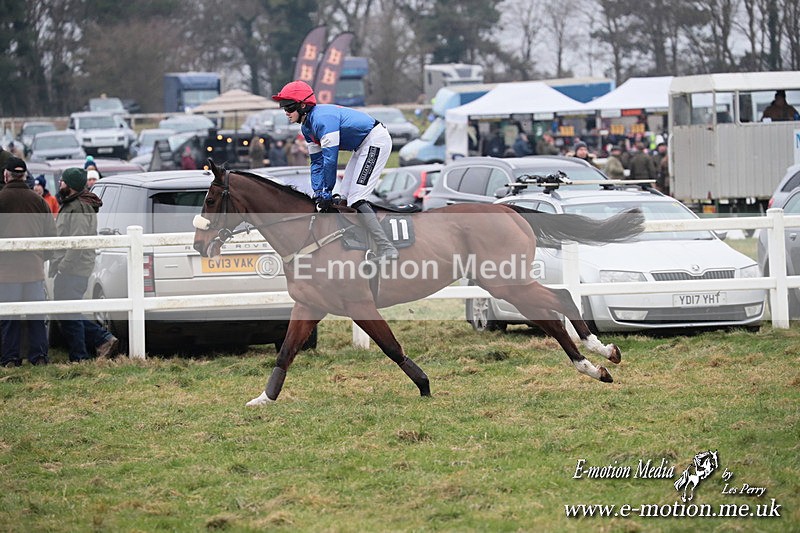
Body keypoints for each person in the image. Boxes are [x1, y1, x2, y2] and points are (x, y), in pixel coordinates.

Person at [272, 80, 398, 262]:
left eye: (289, 107)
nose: (285, 112)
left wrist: (327, 191)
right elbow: (316, 162)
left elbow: (330, 160)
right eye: (282, 107)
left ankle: (387, 248)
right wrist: (318, 192)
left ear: (303, 105)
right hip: (361, 146)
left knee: (356, 198)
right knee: (344, 197)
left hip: (375, 140)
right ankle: (359, 242)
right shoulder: (306, 128)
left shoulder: (322, 120)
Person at [50, 167, 119, 362]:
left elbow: (77, 241)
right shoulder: (74, 203)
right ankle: (99, 340)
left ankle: (80, 355)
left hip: (73, 269)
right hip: (74, 267)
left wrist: (63, 265)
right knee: (67, 312)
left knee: (68, 313)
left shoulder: (78, 207)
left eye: (63, 181)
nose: (60, 184)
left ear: (70, 185)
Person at [0, 157, 57, 367]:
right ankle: (39, 357)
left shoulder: (1, 199)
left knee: (8, 319)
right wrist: (41, 258)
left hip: (5, 273)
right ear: (24, 176)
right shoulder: (39, 201)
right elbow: (52, 236)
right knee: (36, 317)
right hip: (33, 270)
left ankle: (9, 359)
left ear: (6, 175)